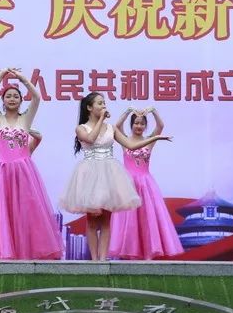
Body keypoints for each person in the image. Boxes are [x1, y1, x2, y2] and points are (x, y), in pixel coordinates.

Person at [60, 94, 171, 261]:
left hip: (109, 174)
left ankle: (102, 260)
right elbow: (90, 139)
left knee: (106, 221)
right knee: (92, 221)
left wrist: (155, 138)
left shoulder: (111, 128)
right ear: (89, 107)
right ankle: (94, 260)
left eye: (104, 103)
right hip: (90, 174)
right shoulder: (81, 128)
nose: (103, 106)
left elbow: (130, 145)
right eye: (100, 103)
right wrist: (101, 119)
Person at [0, 69, 63, 260]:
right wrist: (2, 75)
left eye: (16, 96)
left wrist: (22, 78)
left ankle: (26, 251)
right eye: (8, 96)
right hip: (2, 171)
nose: (12, 99)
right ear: (3, 101)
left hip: (24, 171)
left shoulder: (25, 119)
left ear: (21, 101)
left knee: (25, 211)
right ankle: (5, 251)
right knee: (3, 210)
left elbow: (36, 97)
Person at [109, 107, 184, 260]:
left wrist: (153, 111)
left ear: (145, 126)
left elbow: (160, 126)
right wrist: (128, 110)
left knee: (146, 219)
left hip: (145, 185)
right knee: (129, 220)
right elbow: (116, 126)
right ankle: (130, 252)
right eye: (136, 123)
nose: (139, 126)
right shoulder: (125, 140)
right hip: (128, 185)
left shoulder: (149, 140)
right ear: (131, 125)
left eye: (142, 124)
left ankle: (148, 252)